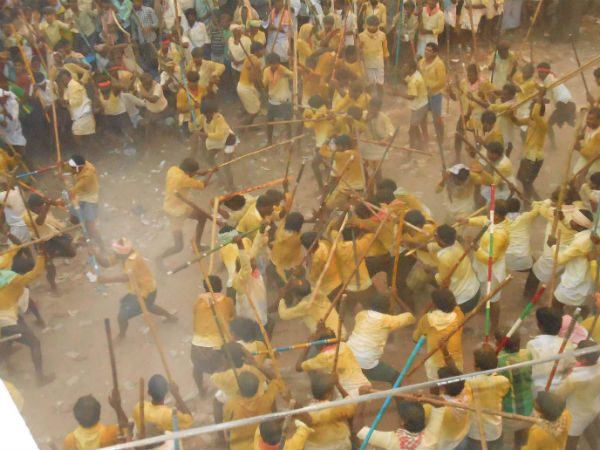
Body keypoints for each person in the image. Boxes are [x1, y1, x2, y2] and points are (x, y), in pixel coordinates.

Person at [91, 237, 176, 338]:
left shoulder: (133, 259)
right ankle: (170, 317)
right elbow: (106, 263)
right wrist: (95, 255)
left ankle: (122, 336)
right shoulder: (121, 256)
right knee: (148, 306)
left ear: (121, 253)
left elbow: (126, 277)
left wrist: (106, 280)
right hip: (137, 290)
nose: (114, 253)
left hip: (146, 290)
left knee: (122, 317)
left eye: (115, 251)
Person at [0, 250, 54, 385]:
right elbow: (35, 273)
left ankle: (9, 367)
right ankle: (40, 378)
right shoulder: (11, 278)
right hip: (6, 319)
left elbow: (9, 253)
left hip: (7, 318)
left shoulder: (4, 275)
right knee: (34, 343)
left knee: (9, 336)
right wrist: (41, 256)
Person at [346, 293, 414, 384]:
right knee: (397, 379)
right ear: (387, 308)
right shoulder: (388, 320)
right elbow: (410, 316)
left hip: (347, 356)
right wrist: (397, 297)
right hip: (366, 362)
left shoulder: (361, 315)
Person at [463, 200, 509, 333]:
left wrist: (475, 247)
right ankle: (483, 307)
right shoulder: (494, 220)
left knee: (493, 299)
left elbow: (490, 260)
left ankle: (494, 326)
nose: (487, 214)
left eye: (489, 212)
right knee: (484, 291)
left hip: (492, 270)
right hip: (482, 265)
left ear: (497, 216)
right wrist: (468, 221)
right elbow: (483, 220)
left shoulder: (499, 235)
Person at [157, 158, 213, 263]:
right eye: (193, 173)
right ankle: (159, 258)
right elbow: (202, 185)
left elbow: (186, 177)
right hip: (178, 212)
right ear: (188, 171)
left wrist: (197, 173)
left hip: (170, 207)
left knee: (202, 217)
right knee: (178, 247)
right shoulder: (184, 180)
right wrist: (210, 173)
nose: (193, 174)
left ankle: (197, 246)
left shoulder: (172, 170)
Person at [191, 275, 235, 396]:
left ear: (205, 288)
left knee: (197, 367)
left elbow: (195, 322)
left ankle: (201, 390)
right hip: (215, 350)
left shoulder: (198, 302)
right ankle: (226, 393)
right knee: (228, 364)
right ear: (221, 287)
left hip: (196, 348)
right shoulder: (227, 301)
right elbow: (232, 319)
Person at [24, 194, 76, 292]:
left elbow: (61, 203)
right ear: (32, 207)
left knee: (72, 253)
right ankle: (53, 287)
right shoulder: (26, 216)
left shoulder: (42, 207)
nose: (41, 208)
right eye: (38, 206)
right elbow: (39, 221)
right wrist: (47, 206)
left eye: (42, 205)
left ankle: (53, 255)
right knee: (50, 268)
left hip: (53, 235)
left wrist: (53, 202)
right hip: (41, 241)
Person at [298, 327, 371, 396]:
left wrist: (308, 344)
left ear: (323, 344)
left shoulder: (323, 357)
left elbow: (298, 367)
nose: (315, 345)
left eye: (315, 342)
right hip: (365, 384)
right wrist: (321, 330)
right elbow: (326, 336)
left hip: (350, 393)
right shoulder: (344, 346)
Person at [555, 339, 600, 450]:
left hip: (576, 414)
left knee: (571, 439)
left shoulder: (575, 378)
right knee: (588, 427)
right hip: (593, 407)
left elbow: (559, 392)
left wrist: (565, 376)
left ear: (584, 359)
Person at [465, 345, 510, 450]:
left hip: (475, 433)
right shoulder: (503, 380)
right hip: (495, 431)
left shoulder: (470, 382)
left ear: (476, 366)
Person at [224, 372, 284, 450]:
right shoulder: (265, 400)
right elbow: (276, 379)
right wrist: (259, 366)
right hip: (261, 445)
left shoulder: (231, 405)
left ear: (240, 389)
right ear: (258, 387)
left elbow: (227, 426)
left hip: (239, 447)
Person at [413, 289, 464, 380]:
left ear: (435, 305)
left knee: (434, 385)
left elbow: (415, 339)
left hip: (435, 364)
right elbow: (455, 306)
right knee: (456, 386)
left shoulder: (426, 319)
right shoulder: (459, 315)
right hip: (455, 364)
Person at [494, 328, 533, 448]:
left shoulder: (498, 360)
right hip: (527, 410)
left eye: (496, 341)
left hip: (508, 412)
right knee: (521, 432)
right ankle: (518, 447)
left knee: (499, 432)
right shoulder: (527, 354)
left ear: (500, 344)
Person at [552, 208, 595, 309]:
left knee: (556, 303)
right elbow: (571, 227)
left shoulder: (580, 242)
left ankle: (557, 320)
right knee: (581, 306)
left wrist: (553, 246)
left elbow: (560, 260)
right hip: (587, 280)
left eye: (573, 220)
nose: (570, 221)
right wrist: (563, 219)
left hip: (575, 282)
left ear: (578, 224)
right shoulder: (592, 234)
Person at [421, 366, 472, 449]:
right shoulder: (467, 390)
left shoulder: (432, 409)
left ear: (442, 387)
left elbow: (413, 414)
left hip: (446, 445)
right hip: (462, 437)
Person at [303, 371, 357, 450]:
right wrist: (338, 385)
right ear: (328, 394)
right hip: (337, 446)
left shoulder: (306, 410)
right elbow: (351, 405)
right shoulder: (333, 408)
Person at [433, 224, 480, 312]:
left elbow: (443, 281)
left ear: (442, 241)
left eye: (436, 236)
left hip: (463, 300)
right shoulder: (456, 244)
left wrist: (435, 275)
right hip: (476, 290)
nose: (434, 238)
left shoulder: (443, 257)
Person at [527, 307, 575, 393]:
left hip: (538, 390)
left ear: (539, 325)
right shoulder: (567, 345)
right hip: (559, 390)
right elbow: (571, 366)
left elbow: (528, 369)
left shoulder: (533, 344)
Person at [62, 394, 127, 450]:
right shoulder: (111, 433)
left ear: (76, 417)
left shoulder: (70, 440)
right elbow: (128, 431)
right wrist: (118, 407)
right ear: (98, 412)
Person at [65, 154, 103, 248]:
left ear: (80, 167)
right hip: (81, 195)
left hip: (90, 199)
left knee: (91, 228)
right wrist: (61, 165)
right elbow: (69, 167)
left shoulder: (88, 176)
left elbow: (72, 191)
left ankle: (101, 246)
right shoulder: (81, 164)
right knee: (73, 219)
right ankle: (84, 232)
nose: (71, 170)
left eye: (73, 168)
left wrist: (66, 180)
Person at [537, 62, 576, 149]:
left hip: (563, 104)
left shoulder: (548, 80)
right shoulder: (552, 79)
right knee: (573, 124)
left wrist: (538, 98)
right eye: (539, 72)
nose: (539, 74)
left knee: (548, 125)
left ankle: (553, 145)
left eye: (542, 72)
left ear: (547, 72)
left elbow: (547, 100)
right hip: (570, 104)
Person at [357, 400, 427, 449]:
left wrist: (362, 399)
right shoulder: (430, 437)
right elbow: (435, 406)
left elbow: (358, 429)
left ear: (402, 422)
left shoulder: (392, 440)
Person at [418, 43, 446, 146]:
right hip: (423, 95)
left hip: (435, 95)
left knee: (437, 119)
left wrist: (431, 87)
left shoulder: (439, 64)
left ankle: (440, 138)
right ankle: (425, 137)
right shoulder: (421, 62)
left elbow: (442, 82)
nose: (426, 52)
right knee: (422, 117)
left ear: (435, 53)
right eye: (426, 50)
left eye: (429, 51)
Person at [262, 52, 293, 145]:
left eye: (277, 63)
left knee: (287, 122)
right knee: (269, 122)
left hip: (284, 100)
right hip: (272, 99)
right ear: (268, 64)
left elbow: (293, 75)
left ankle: (289, 141)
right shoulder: (266, 71)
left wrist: (287, 75)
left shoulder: (282, 69)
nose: (276, 66)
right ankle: (269, 141)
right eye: (273, 64)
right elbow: (264, 84)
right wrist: (258, 80)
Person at [505, 198, 540, 272]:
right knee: (536, 268)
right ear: (519, 207)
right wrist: (525, 199)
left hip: (506, 260)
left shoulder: (501, 219)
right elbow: (538, 208)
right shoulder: (525, 217)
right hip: (524, 260)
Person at [399, 60, 428, 151]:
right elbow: (406, 81)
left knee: (412, 130)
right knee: (416, 127)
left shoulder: (414, 81)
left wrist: (398, 94)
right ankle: (420, 144)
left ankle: (413, 148)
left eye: (406, 67)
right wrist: (402, 74)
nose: (404, 68)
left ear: (411, 69)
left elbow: (412, 96)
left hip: (419, 107)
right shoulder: (415, 74)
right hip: (422, 104)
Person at [359, 15, 388, 99]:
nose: (372, 27)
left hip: (379, 63)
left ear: (377, 25)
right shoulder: (361, 36)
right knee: (369, 84)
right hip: (367, 63)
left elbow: (385, 51)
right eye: (370, 25)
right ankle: (369, 99)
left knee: (380, 83)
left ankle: (380, 100)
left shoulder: (382, 35)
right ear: (366, 25)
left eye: (374, 25)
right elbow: (358, 50)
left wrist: (387, 63)